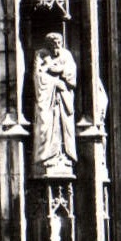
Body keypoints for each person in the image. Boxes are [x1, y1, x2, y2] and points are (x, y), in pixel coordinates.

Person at [32, 31, 77, 175]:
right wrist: (54, 82)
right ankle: (46, 157)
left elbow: (71, 75)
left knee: (63, 126)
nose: (57, 46)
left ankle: (63, 156)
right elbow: (38, 76)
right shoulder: (41, 55)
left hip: (63, 99)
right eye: (54, 43)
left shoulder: (66, 55)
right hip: (47, 98)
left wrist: (59, 71)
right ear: (48, 44)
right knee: (46, 123)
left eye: (59, 43)